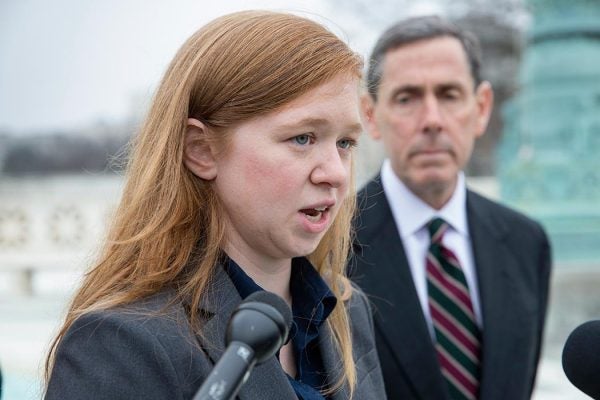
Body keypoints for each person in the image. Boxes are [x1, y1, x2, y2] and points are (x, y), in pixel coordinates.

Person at [44, 10, 386, 400]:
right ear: (201, 150)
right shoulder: (118, 344)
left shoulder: (346, 312)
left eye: (345, 143)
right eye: (303, 138)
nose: (336, 174)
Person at [351, 15, 552, 400]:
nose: (432, 121)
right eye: (407, 98)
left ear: (481, 108)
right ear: (371, 116)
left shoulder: (528, 243)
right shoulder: (329, 247)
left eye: (449, 94)